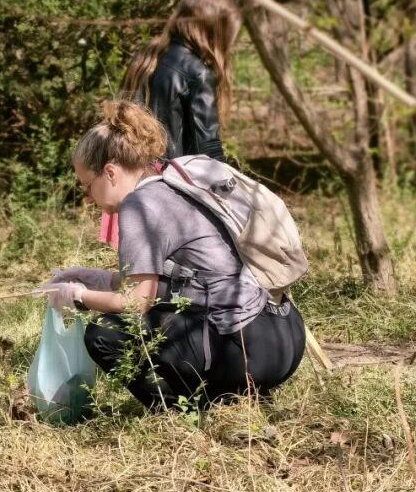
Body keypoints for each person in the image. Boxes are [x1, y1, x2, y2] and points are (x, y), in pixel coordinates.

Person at [38, 100, 304, 410]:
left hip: (244, 353)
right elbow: (181, 282)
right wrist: (97, 278)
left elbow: (137, 303)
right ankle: (231, 395)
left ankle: (181, 410)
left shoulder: (139, 205)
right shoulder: (172, 184)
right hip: (284, 338)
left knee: (104, 332)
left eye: (87, 186)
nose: (87, 198)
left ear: (110, 172)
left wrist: (79, 296)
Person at [97, 0, 243, 248]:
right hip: (172, 190)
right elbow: (207, 147)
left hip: (131, 177)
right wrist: (233, 194)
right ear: (217, 29)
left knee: (138, 265)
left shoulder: (147, 56)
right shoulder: (197, 71)